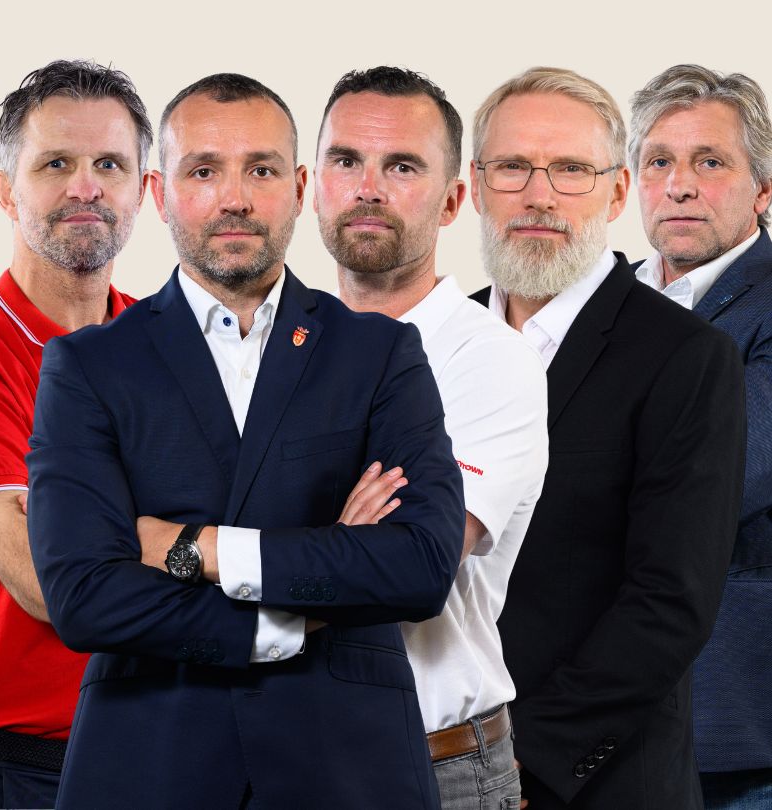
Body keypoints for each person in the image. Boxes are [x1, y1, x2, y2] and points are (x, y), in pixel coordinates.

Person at [27, 72, 465, 810]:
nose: (234, 198)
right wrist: (304, 596)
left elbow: (419, 565)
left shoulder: (379, 353)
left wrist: (193, 549)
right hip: (150, 762)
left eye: (260, 171)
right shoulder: (89, 365)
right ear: (161, 193)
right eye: (204, 171)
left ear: (298, 187)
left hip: (346, 767)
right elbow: (85, 597)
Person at [468, 66, 747, 809]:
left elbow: (671, 601)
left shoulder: (685, 356)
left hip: (592, 783)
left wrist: (522, 762)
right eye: (512, 167)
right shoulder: (430, 343)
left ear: (617, 192)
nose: (539, 195)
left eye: (570, 169)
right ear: (476, 186)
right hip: (421, 765)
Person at [0, 59, 149, 809]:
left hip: (160, 752)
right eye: (56, 164)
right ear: (5, 189)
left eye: (110, 164)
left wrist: (95, 528)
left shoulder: (166, 346)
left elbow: (256, 523)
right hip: (12, 775)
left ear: (143, 189)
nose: (86, 188)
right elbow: (50, 581)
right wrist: (205, 545)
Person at [314, 65, 548, 809]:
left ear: (451, 201)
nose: (368, 188)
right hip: (293, 753)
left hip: (438, 766)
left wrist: (236, 549)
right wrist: (335, 536)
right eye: (346, 160)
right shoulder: (277, 347)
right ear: (311, 185)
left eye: (402, 166)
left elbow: (409, 566)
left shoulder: (491, 359)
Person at [629, 63, 772, 809]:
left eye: (710, 162)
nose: (679, 185)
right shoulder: (590, 301)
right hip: (586, 723)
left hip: (732, 728)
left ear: (763, 188)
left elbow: (724, 478)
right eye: (659, 162)